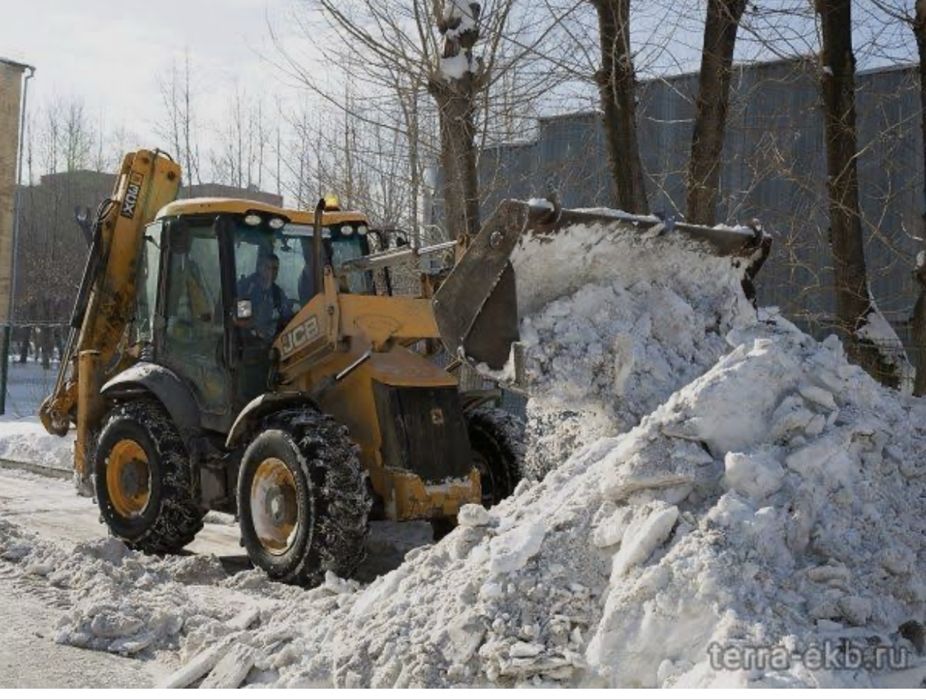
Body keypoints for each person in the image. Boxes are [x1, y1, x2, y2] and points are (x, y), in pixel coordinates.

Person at [237, 253, 289, 340]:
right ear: (260, 268)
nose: (271, 272)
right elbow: (243, 320)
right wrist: (257, 330)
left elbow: (285, 316)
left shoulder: (278, 293)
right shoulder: (247, 288)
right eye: (267, 268)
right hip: (246, 339)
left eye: (275, 269)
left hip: (271, 339)